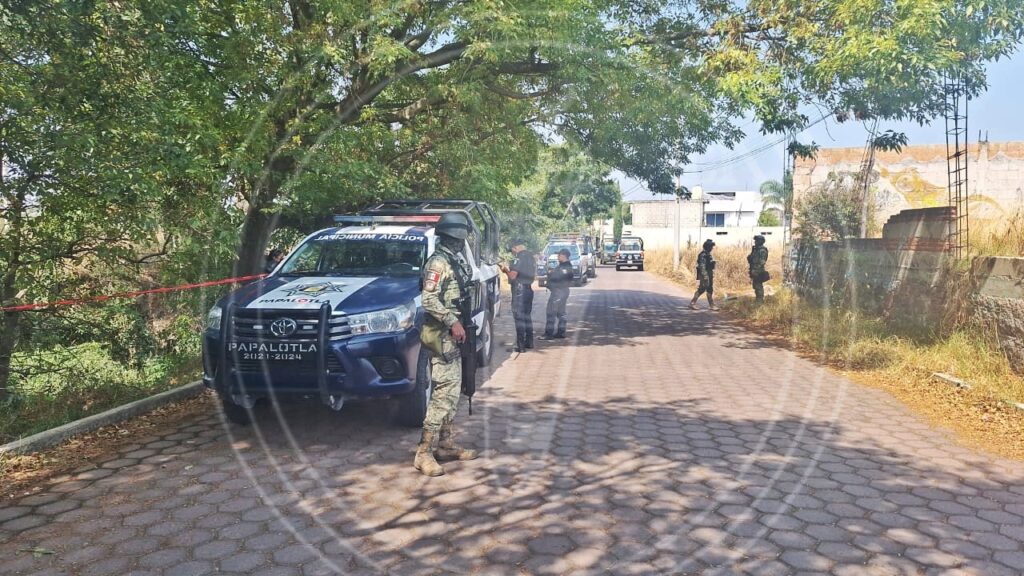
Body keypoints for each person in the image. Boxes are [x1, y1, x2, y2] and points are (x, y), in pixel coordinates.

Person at [415, 212, 478, 477]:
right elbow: (428, 299)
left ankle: (446, 444)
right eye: (460, 238)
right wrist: (452, 321)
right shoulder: (438, 262)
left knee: (453, 391)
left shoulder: (454, 260)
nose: (462, 243)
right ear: (454, 237)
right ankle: (423, 452)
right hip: (443, 335)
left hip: (456, 334)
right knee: (444, 393)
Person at [499, 239, 535, 352]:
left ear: (515, 247)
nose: (513, 253)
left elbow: (513, 275)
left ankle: (521, 346)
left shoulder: (518, 258)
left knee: (519, 317)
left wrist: (505, 270)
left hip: (519, 290)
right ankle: (529, 342)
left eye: (512, 250)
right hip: (528, 289)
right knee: (527, 316)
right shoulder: (531, 257)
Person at [541, 248, 573, 339]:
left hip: (559, 291)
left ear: (564, 256)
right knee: (561, 313)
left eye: (559, 255)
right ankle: (561, 332)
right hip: (561, 291)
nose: (558, 256)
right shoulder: (563, 266)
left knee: (551, 312)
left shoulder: (565, 267)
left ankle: (549, 334)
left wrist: (551, 274)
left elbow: (561, 278)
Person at [689, 239, 719, 311]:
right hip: (704, 274)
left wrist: (712, 263)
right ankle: (692, 303)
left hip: (709, 273)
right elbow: (702, 266)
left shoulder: (708, 254)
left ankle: (711, 305)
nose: (712, 248)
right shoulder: (703, 255)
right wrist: (705, 276)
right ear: (707, 247)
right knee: (702, 289)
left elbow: (708, 264)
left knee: (709, 289)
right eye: (711, 247)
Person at [747, 235, 769, 304]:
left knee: (758, 286)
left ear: (760, 241)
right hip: (754, 270)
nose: (755, 242)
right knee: (756, 286)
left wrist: (756, 270)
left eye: (756, 240)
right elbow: (750, 259)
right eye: (755, 240)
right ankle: (758, 300)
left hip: (759, 271)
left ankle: (760, 301)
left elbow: (762, 262)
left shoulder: (762, 250)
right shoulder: (756, 250)